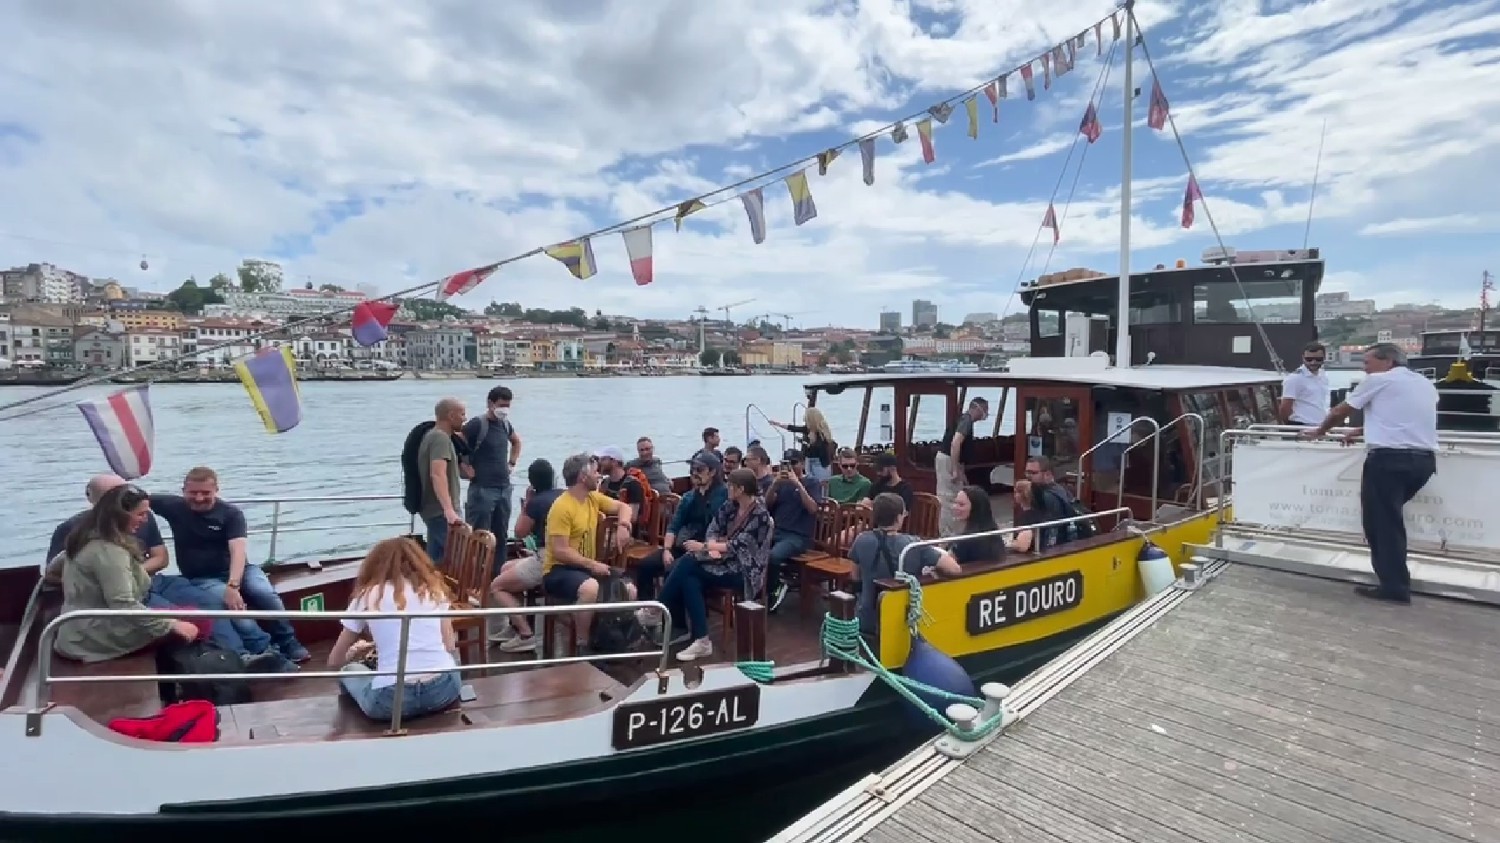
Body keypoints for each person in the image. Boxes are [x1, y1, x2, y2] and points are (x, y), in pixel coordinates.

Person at [1300, 342, 1438, 604]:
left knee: (1382, 524)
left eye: (1367, 362)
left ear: (1388, 362)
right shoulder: (1423, 383)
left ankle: (1394, 587)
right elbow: (1405, 420)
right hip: (1424, 462)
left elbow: (1341, 410)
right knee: (1390, 519)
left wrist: (1320, 431)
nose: (1364, 368)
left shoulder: (1378, 380)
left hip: (1389, 461)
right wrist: (1363, 431)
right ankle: (1395, 580)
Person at [151, 466, 310, 665]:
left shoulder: (230, 514)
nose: (199, 498)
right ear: (183, 491)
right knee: (234, 609)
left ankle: (289, 642)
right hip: (204, 578)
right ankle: (267, 652)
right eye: (193, 493)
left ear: (216, 490)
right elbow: (131, 498)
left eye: (205, 493)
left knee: (264, 593)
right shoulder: (172, 506)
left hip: (242, 569)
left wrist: (233, 585)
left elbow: (238, 550)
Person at [54, 485, 202, 663]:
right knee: (199, 620)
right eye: (141, 514)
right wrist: (170, 624)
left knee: (185, 616)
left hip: (77, 629)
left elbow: (53, 569)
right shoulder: (110, 552)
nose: (145, 520)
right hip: (94, 636)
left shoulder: (82, 539)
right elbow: (122, 603)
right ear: (120, 515)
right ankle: (183, 680)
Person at [327, 537, 462, 721]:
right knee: (447, 663)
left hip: (390, 701)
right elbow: (449, 647)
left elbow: (334, 661)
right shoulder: (433, 590)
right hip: (443, 690)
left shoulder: (366, 596)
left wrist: (352, 656)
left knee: (349, 670)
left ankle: (348, 724)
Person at [656, 468, 773, 662]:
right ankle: (702, 640)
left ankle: (658, 608)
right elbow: (714, 527)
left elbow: (738, 546)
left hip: (744, 569)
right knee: (689, 578)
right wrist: (712, 547)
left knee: (688, 562)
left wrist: (704, 546)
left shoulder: (760, 515)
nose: (727, 488)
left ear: (740, 489)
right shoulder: (731, 505)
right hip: (723, 559)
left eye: (731, 486)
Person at [541, 453, 637, 651]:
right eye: (595, 472)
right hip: (559, 570)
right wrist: (592, 565)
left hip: (585, 569)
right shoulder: (562, 507)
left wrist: (623, 526)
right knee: (590, 588)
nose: (599, 476)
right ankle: (582, 644)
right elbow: (560, 551)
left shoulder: (592, 498)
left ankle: (613, 639)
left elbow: (624, 507)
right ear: (583, 478)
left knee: (629, 589)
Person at [848, 493, 961, 634]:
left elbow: (855, 577)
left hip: (868, 620)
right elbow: (954, 569)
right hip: (904, 622)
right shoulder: (913, 545)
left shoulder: (861, 540)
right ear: (898, 517)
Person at [487, 459, 562, 652]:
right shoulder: (563, 496)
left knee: (496, 586)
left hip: (547, 560)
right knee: (506, 568)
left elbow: (520, 532)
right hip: (557, 555)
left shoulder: (536, 503)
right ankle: (514, 625)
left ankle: (526, 634)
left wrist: (527, 503)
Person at [633, 452, 727, 602]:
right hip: (683, 546)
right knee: (646, 565)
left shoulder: (725, 496)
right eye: (692, 470)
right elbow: (673, 526)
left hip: (708, 549)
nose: (694, 474)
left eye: (699, 470)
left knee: (674, 570)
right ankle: (647, 607)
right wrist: (667, 550)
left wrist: (706, 547)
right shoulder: (688, 497)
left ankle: (676, 620)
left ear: (713, 472)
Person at [463, 386, 522, 574]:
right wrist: (464, 467)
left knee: (501, 535)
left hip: (504, 488)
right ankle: (475, 577)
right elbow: (456, 443)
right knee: (479, 535)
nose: (505, 409)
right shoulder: (477, 424)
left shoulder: (505, 424)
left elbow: (516, 442)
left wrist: (512, 463)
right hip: (482, 489)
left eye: (508, 405)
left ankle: (497, 575)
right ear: (490, 403)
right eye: (501, 405)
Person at [764, 449, 824, 613]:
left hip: (798, 536)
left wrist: (797, 483)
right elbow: (766, 504)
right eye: (787, 463)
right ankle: (759, 591)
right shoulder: (781, 484)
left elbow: (813, 509)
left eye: (794, 463)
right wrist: (775, 484)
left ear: (802, 463)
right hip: (777, 531)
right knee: (752, 548)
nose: (791, 467)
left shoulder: (812, 483)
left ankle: (774, 591)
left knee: (773, 556)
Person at [419, 398, 467, 565]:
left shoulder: (431, 436)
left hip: (432, 510)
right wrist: (449, 510)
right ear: (451, 416)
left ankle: (431, 589)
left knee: (436, 559)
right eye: (462, 414)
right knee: (459, 559)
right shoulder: (441, 439)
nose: (465, 418)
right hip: (442, 512)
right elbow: (437, 473)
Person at [936, 397, 990, 536]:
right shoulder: (966, 421)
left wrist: (961, 471)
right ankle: (947, 535)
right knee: (949, 498)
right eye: (985, 410)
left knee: (957, 494)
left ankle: (956, 531)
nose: (986, 414)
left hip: (952, 461)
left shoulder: (965, 421)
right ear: (977, 408)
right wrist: (955, 469)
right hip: (948, 460)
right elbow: (955, 443)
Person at [769, 408, 837, 481]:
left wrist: (810, 443)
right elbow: (794, 428)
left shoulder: (822, 433)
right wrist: (778, 424)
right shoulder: (809, 429)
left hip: (819, 462)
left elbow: (822, 449)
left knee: (820, 482)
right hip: (809, 460)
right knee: (810, 480)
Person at [948, 486, 1005, 564]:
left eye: (961, 505)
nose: (955, 507)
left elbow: (948, 562)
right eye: (955, 503)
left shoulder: (967, 538)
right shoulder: (992, 531)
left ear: (975, 508)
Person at [1279, 341, 1332, 425]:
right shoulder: (1295, 378)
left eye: (1318, 359)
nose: (1313, 362)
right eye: (1309, 359)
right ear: (1303, 357)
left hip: (1319, 426)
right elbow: (1285, 407)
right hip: (1300, 425)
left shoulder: (1323, 376)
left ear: (1324, 358)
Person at [1005, 480, 1043, 553]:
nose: (1014, 495)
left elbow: (1022, 546)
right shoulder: (1037, 513)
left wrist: (1009, 543)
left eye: (1017, 492)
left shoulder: (1027, 518)